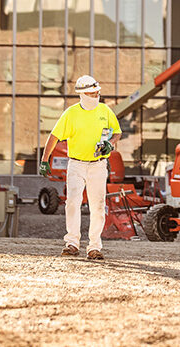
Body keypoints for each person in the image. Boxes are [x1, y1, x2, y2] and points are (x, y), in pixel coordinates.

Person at [39, 75, 121, 260]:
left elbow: (117, 132)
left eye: (97, 92)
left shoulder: (105, 111)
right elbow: (54, 137)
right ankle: (72, 243)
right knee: (72, 203)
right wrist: (44, 160)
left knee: (98, 206)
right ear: (83, 94)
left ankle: (94, 247)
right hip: (76, 164)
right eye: (93, 93)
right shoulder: (71, 113)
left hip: (98, 165)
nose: (97, 95)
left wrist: (111, 144)